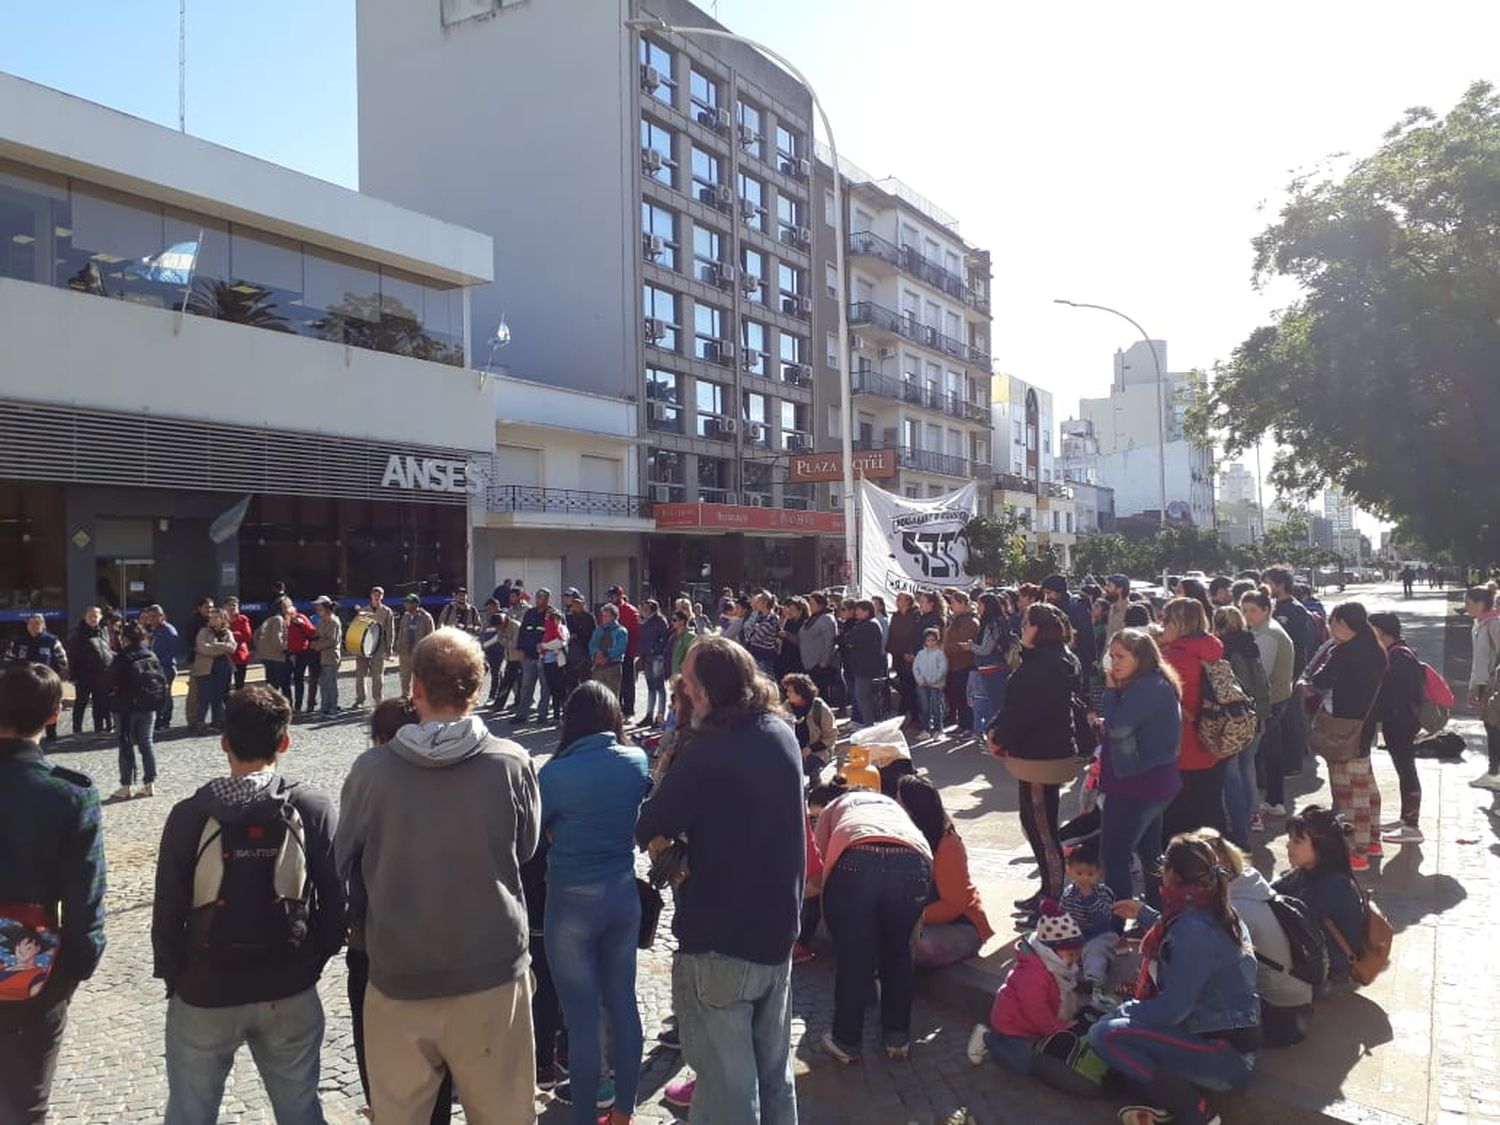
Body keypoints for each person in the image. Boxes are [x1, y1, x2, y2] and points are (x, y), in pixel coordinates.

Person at [336, 628, 541, 1124]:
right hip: (491, 970)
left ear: (415, 689)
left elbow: (342, 860)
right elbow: (526, 848)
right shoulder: (511, 763)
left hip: (400, 973)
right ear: (478, 689)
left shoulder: (371, 771)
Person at [151, 684, 344, 1125]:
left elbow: (167, 911)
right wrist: (310, 961)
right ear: (285, 742)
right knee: (300, 1110)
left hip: (205, 987)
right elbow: (336, 904)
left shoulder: (189, 814)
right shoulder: (309, 805)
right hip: (288, 984)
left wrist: (176, 976)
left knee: (190, 1112)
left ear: (223, 742)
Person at [634, 637, 803, 1122]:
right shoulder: (780, 730)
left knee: (728, 1090)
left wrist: (678, 860)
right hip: (776, 932)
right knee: (773, 1076)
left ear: (704, 695)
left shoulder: (708, 753)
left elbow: (648, 824)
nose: (680, 693)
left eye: (685, 684)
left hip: (720, 942)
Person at [540, 683, 652, 1124]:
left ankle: (586, 1114)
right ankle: (624, 1110)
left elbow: (536, 832)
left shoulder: (555, 774)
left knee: (582, 1017)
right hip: (622, 892)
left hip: (570, 897)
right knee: (623, 1003)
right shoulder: (637, 760)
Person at [1090, 835, 1261, 1125]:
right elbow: (1183, 938)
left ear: (1172, 875)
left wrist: (1126, 1009)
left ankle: (1197, 1113)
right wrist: (1144, 914)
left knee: (1104, 1034)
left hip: (1225, 1057)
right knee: (1114, 1023)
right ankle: (1161, 1100)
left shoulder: (1193, 929)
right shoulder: (1213, 909)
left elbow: (1173, 1010)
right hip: (1217, 1034)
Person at [0, 663, 107, 1122]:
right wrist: (75, 966)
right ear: (53, 716)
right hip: (32, 959)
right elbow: (86, 894)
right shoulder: (68, 793)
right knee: (26, 1098)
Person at [346, 698, 455, 1125]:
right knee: (438, 1063)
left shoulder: (368, 777)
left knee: (382, 1072)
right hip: (443, 942)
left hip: (377, 947)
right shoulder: (451, 778)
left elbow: (345, 857)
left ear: (377, 741)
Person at [808, 777, 933, 1063]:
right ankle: (897, 1038)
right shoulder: (892, 806)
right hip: (911, 863)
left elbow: (817, 865)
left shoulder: (836, 806)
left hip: (856, 860)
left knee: (854, 955)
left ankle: (846, 1040)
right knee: (899, 951)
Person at [987, 603, 1081, 912]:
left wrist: (999, 737)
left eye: (1026, 623)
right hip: (1041, 752)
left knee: (1042, 827)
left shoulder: (1043, 665)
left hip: (1041, 755)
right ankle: (1046, 888)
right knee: (1037, 823)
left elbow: (1024, 712)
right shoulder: (1054, 659)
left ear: (1037, 629)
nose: (1021, 628)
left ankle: (1053, 897)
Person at [1190, 829, 1314, 1048]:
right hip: (1298, 1005)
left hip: (1279, 1018)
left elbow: (1210, 969)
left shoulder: (1234, 908)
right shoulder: (1250, 885)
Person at [1098, 628, 1183, 908]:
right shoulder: (1150, 683)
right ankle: (1156, 914)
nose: (1114, 663)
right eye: (1112, 656)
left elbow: (1117, 727)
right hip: (1149, 783)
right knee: (1150, 853)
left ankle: (1117, 926)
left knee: (1115, 856)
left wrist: (1110, 694)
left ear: (1141, 657)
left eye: (1121, 656)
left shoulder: (1148, 687)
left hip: (1137, 786)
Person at [1307, 602, 1386, 870]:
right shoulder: (1375, 648)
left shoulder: (1344, 652)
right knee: (1366, 786)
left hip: (1341, 728)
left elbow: (1319, 681)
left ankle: (1357, 851)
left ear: (1342, 624)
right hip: (1364, 726)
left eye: (1332, 623)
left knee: (1349, 793)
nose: (1330, 628)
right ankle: (1373, 841)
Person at [965, 903, 1085, 1076]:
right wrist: (1056, 1028)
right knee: (1022, 1065)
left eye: (1077, 955)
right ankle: (988, 1039)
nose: (1075, 961)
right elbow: (1036, 1010)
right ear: (1051, 951)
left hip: (1031, 1024)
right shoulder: (1034, 975)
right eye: (1071, 955)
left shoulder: (1054, 965)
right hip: (1013, 1026)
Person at [898, 774, 994, 968]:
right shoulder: (908, 835)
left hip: (960, 924)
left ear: (912, 809)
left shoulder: (948, 845)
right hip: (922, 919)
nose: (894, 805)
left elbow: (954, 904)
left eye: (899, 801)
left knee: (908, 946)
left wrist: (908, 917)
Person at [1158, 598, 1228, 840]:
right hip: (1214, 739)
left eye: (1166, 620)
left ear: (1180, 623)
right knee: (1210, 811)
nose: (1161, 624)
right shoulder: (1213, 648)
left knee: (1179, 822)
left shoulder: (1173, 659)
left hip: (1183, 745)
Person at [1272, 806, 1364, 989]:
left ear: (1321, 848)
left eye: (1297, 841)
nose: (1289, 845)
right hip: (1314, 956)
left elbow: (1292, 921)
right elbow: (1270, 892)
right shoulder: (1305, 872)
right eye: (1290, 839)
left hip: (1329, 971)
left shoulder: (1336, 885)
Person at [1214, 605, 1271, 847]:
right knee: (1249, 766)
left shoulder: (1222, 650)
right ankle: (1254, 813)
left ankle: (1235, 818)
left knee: (1231, 771)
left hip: (1232, 717)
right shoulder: (1252, 644)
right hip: (1255, 714)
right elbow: (1261, 682)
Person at [1367, 612, 1425, 845]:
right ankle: (1405, 819)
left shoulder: (1399, 656)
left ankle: (1412, 826)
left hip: (1401, 722)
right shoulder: (1398, 651)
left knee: (1407, 770)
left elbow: (1396, 695)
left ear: (1381, 631)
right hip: (1399, 720)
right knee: (1404, 770)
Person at [1241, 591, 1295, 819]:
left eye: (1253, 610)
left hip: (1271, 702)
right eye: (1244, 610)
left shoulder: (1268, 635)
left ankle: (1266, 802)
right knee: (1271, 751)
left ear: (1266, 609)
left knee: (1257, 754)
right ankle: (1274, 799)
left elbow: (1261, 674)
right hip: (1274, 699)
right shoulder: (1263, 631)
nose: (1247, 615)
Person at [106, 621, 167, 800]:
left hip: (125, 708)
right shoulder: (150, 654)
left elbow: (111, 681)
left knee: (126, 745)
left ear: (124, 638)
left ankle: (126, 786)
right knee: (146, 743)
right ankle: (149, 783)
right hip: (148, 706)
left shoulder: (122, 657)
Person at [1267, 565, 1315, 773]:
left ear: (1280, 584)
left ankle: (1295, 762)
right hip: (1273, 674)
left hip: (1292, 672)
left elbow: (1300, 644)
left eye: (1268, 582)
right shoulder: (1270, 607)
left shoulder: (1295, 610)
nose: (1265, 587)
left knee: (1292, 717)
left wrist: (1297, 675)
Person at [1059, 838, 1117, 996]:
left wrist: (1090, 899)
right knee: (1059, 953)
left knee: (1095, 952)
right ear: (1069, 870)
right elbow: (1064, 917)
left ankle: (1094, 981)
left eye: (1090, 874)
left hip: (1100, 935)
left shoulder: (1103, 892)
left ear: (1100, 872)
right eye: (1079, 873)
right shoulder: (1068, 894)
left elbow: (1104, 919)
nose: (1085, 878)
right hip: (1077, 937)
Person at [4, 614, 69, 744]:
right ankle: (25, 734)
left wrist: (55, 677)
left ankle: (51, 735)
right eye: (31, 623)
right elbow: (8, 661)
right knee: (25, 708)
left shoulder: (52, 641)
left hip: (46, 682)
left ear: (43, 625)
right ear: (27, 625)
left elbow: (62, 661)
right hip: (23, 683)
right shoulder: (18, 642)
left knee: (49, 706)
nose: (34, 626)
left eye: (37, 623)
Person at [1464, 585, 1500, 790]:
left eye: (1469, 603)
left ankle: (1495, 772)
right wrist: (1472, 686)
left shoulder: (1494, 624)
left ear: (1481, 604)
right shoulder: (1479, 624)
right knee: (1491, 728)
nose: (1466, 607)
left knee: (1494, 727)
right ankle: (1494, 771)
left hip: (1493, 685)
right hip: (1482, 684)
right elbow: (1477, 661)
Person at [1041, 575, 1097, 694]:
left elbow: (1083, 638)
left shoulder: (1075, 608)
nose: (1047, 597)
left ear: (1059, 592)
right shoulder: (1059, 607)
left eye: (1049, 593)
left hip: (1077, 662)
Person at [968, 593, 1015, 734]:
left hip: (994, 669)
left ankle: (1003, 735)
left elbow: (985, 649)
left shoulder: (993, 624)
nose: (978, 608)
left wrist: (970, 646)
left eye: (980, 604)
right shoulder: (998, 621)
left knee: (997, 705)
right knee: (993, 704)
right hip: (991, 669)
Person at [66, 606, 113, 736]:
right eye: (90, 616)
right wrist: (73, 676)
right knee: (81, 702)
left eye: (95, 616)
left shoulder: (103, 630)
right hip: (83, 675)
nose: (93, 618)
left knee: (99, 702)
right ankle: (77, 729)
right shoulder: (78, 633)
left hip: (101, 675)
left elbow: (107, 650)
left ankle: (99, 728)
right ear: (85, 617)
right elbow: (72, 655)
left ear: (100, 617)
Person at [190, 609, 236, 733]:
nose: (213, 620)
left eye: (216, 617)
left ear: (222, 619)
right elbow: (203, 648)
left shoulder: (227, 632)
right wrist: (222, 647)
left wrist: (215, 645)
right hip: (205, 667)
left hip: (223, 666)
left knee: (218, 696)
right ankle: (199, 722)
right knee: (204, 696)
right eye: (211, 617)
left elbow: (232, 647)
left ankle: (217, 722)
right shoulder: (203, 631)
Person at [843, 599, 888, 725]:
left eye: (858, 610)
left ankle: (868, 723)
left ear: (866, 611)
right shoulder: (868, 624)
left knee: (862, 696)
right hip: (865, 666)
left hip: (864, 667)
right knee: (864, 697)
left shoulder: (868, 625)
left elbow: (849, 638)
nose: (856, 612)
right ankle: (868, 722)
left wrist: (851, 643)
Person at [783, 673, 836, 776]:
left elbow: (831, 736)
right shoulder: (785, 708)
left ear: (801, 692)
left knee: (811, 767)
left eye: (790, 691)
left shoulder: (819, 708)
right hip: (793, 752)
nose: (787, 694)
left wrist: (810, 749)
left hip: (818, 753)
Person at [353, 587, 396, 709]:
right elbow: (356, 627)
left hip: (379, 646)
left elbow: (390, 630)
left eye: (379, 595)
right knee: (360, 674)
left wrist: (389, 647)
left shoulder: (387, 611)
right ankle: (360, 699)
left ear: (382, 596)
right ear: (371, 595)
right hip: (363, 646)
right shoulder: (363, 610)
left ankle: (378, 699)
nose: (377, 597)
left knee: (377, 675)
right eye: (375, 594)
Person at [515, 588, 552, 725]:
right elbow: (523, 631)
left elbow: (558, 634)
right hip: (529, 656)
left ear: (548, 599)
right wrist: (520, 649)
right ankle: (521, 714)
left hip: (545, 657)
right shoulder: (530, 613)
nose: (538, 600)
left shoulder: (553, 614)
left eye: (542, 597)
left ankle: (542, 715)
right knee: (526, 686)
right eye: (537, 597)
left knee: (545, 687)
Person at [943, 590, 979, 731]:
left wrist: (947, 649)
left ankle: (968, 726)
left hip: (964, 664)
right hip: (953, 664)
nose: (951, 605)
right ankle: (962, 724)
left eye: (954, 602)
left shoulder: (970, 622)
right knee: (957, 696)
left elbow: (964, 643)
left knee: (965, 698)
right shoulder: (955, 620)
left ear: (963, 603)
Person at [143, 605, 180, 734]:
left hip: (166, 667)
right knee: (157, 695)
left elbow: (172, 651)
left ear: (161, 616)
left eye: (154, 616)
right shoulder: (154, 630)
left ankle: (165, 721)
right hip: (155, 667)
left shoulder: (168, 630)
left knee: (165, 696)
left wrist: (157, 663)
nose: (151, 619)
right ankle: (158, 721)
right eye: (149, 617)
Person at [886, 592, 922, 724]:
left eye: (900, 599)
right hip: (897, 655)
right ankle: (905, 714)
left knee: (910, 686)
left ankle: (909, 715)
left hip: (909, 655)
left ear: (908, 601)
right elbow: (892, 634)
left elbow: (914, 635)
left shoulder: (915, 616)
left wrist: (910, 652)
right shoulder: (895, 616)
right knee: (903, 685)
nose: (897, 601)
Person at [608, 585, 642, 720]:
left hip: (627, 652)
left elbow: (636, 633)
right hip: (611, 653)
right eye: (610, 595)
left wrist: (634, 652)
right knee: (614, 682)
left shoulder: (630, 611)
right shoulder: (608, 610)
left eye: (613, 595)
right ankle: (616, 710)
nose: (611, 598)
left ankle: (628, 711)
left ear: (620, 595)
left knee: (627, 682)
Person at [799, 591, 839, 705]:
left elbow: (830, 641)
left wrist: (824, 661)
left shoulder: (826, 619)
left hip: (819, 664)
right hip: (808, 662)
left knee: (822, 693)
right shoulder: (811, 619)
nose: (810, 606)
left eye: (812, 603)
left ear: (820, 605)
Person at [395, 593, 436, 698]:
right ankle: (405, 697)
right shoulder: (405, 616)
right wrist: (397, 647)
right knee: (404, 677)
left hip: (420, 653)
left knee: (420, 677)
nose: (405, 605)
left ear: (415, 604)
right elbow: (401, 633)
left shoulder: (426, 617)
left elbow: (431, 636)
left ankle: (420, 698)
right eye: (405, 603)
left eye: (407, 603)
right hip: (405, 652)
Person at [310, 596, 344, 721]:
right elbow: (316, 634)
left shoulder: (333, 621)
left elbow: (333, 640)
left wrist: (316, 646)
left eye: (319, 606)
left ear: (325, 607)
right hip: (322, 658)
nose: (316, 608)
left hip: (330, 657)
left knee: (330, 684)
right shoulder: (322, 621)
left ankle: (333, 709)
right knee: (323, 683)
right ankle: (324, 708)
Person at [639, 599, 671, 725]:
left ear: (653, 608)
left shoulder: (660, 620)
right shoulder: (644, 621)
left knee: (659, 687)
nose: (643, 609)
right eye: (643, 607)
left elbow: (665, 639)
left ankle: (660, 716)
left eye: (646, 607)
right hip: (646, 657)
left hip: (657, 657)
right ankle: (649, 715)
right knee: (650, 687)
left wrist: (655, 649)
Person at [913, 627, 949, 735]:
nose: (931, 642)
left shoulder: (940, 654)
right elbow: (916, 668)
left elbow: (942, 669)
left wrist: (932, 680)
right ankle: (926, 729)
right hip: (922, 685)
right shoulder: (920, 654)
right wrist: (920, 680)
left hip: (936, 685)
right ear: (925, 641)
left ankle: (938, 729)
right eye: (928, 640)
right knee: (925, 707)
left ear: (937, 640)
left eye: (933, 640)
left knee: (936, 707)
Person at [589, 603, 628, 702]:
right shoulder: (598, 630)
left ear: (614, 617)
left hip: (613, 666)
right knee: (597, 695)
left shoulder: (621, 631)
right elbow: (592, 644)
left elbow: (620, 648)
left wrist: (606, 653)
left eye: (607, 616)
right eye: (603, 616)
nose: (604, 618)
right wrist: (597, 653)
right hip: (598, 666)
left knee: (612, 696)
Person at [562, 589, 597, 700]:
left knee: (586, 684)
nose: (575, 606)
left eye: (578, 603)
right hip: (570, 655)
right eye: (574, 604)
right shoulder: (567, 617)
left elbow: (592, 635)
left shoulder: (589, 617)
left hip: (585, 654)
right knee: (569, 684)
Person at [254, 598, 292, 699]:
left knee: (270, 685)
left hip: (266, 657)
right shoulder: (278, 619)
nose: (291, 607)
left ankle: (269, 708)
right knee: (282, 685)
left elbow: (256, 635)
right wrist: (287, 649)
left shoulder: (269, 619)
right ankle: (285, 708)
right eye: (289, 605)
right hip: (277, 657)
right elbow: (277, 639)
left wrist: (261, 649)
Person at [742, 590, 782, 678]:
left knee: (767, 681)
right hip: (757, 654)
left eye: (758, 602)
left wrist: (749, 635)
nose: (756, 604)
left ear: (764, 603)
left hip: (764, 657)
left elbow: (755, 638)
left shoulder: (771, 619)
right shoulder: (760, 617)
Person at [222, 596, 254, 692]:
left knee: (240, 685)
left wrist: (230, 634)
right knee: (224, 685)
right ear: (224, 606)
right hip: (225, 655)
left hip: (240, 655)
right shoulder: (221, 619)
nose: (232, 607)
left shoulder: (242, 619)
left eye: (234, 605)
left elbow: (247, 636)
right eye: (229, 605)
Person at [668, 607, 697, 677]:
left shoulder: (689, 636)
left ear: (682, 621)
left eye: (675, 620)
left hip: (685, 674)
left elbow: (693, 655)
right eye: (671, 620)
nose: (672, 622)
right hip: (674, 673)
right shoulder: (673, 636)